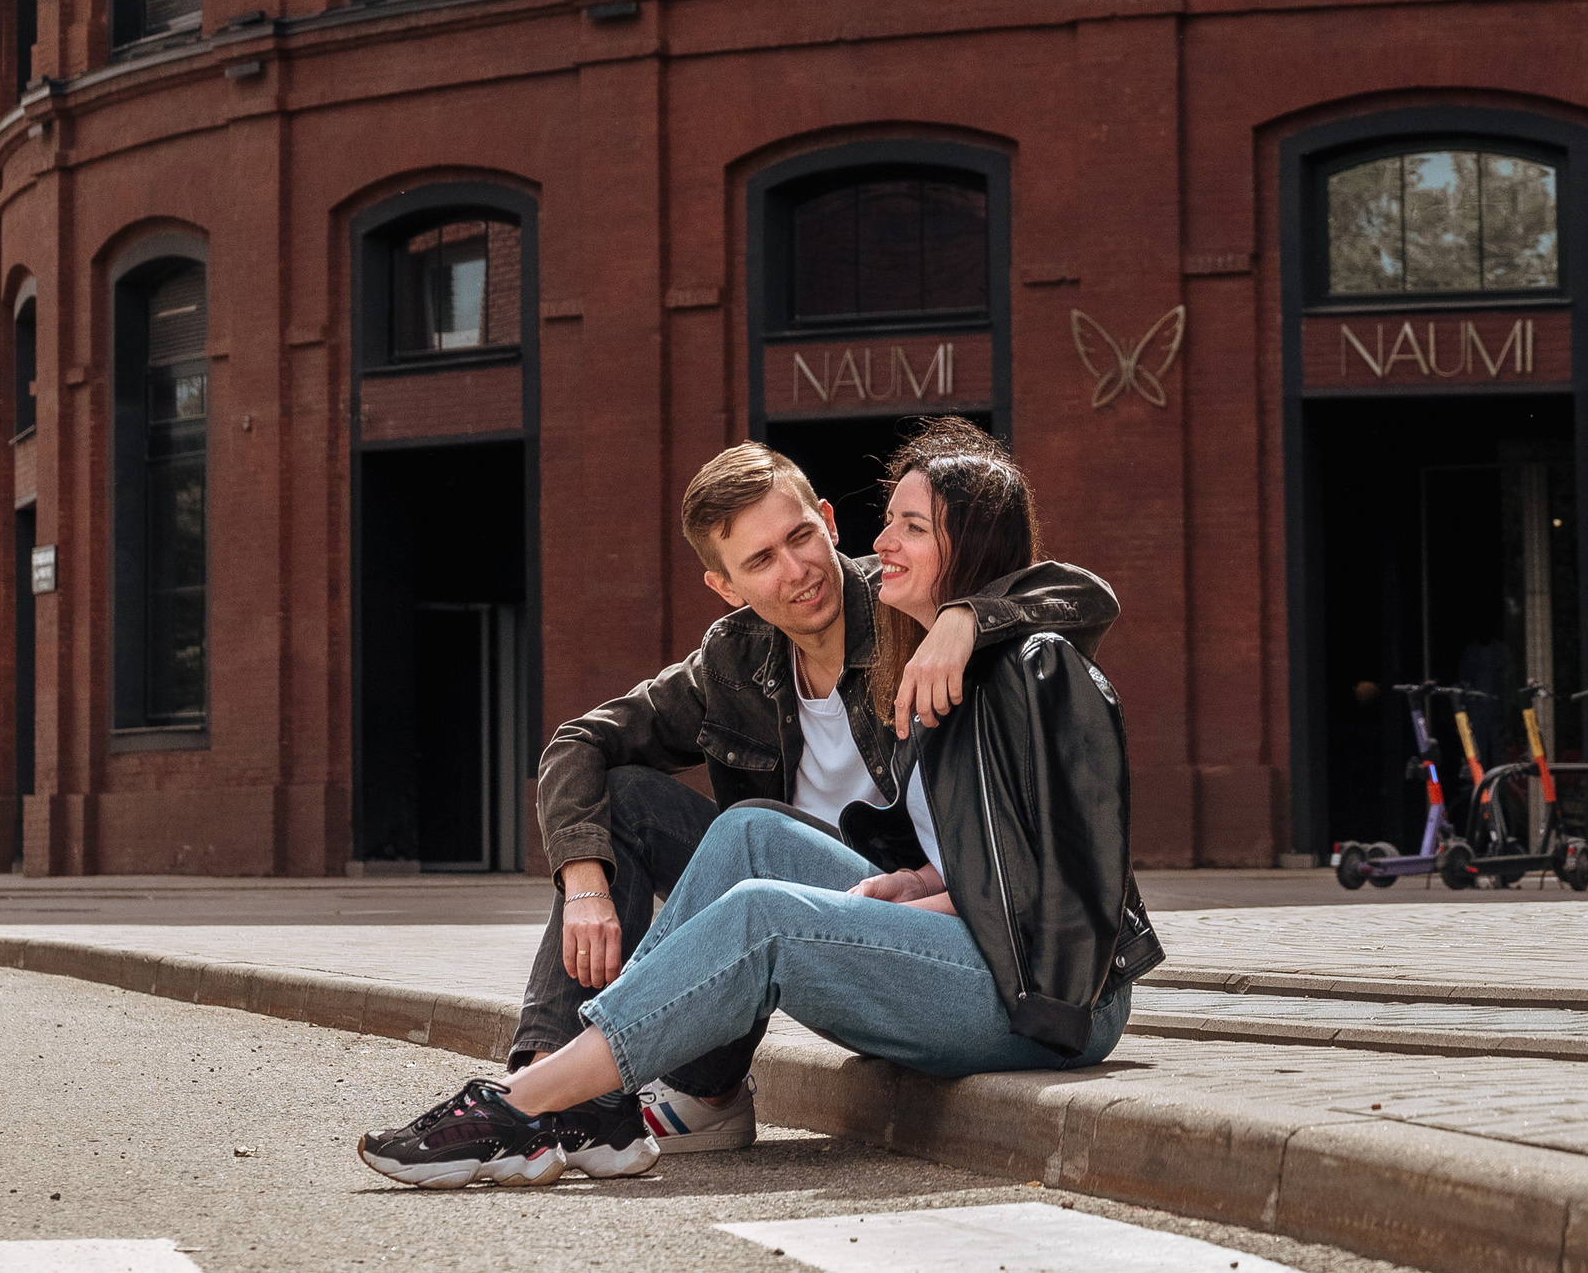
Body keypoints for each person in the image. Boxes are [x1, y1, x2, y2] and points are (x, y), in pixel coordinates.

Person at [358, 419, 1162, 1188]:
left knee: (764, 909)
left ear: (826, 519)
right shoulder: (774, 654)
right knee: (741, 829)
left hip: (1051, 993)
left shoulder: (966, 639)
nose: (818, 564)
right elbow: (580, 742)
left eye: (809, 536)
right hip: (947, 936)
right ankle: (581, 1093)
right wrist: (586, 883)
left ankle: (527, 1108)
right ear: (724, 585)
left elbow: (1067, 601)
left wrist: (971, 614)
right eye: (762, 558)